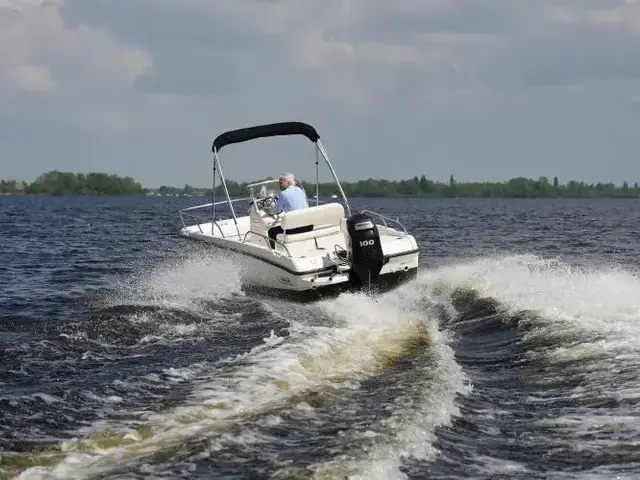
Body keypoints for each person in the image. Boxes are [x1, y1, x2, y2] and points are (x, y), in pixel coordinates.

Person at [267, 173, 311, 248]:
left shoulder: (283, 194)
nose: (279, 185)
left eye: (281, 183)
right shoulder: (300, 190)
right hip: (308, 226)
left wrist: (268, 210)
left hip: (296, 228)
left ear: (287, 182)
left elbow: (276, 211)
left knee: (271, 231)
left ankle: (273, 252)